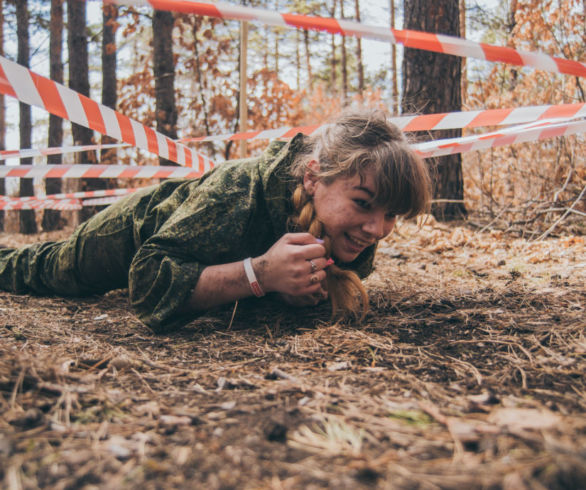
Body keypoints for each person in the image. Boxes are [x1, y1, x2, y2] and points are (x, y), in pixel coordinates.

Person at [0, 110, 431, 333]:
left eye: (390, 214)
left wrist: (289, 293)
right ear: (313, 177)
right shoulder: (237, 192)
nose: (376, 229)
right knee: (43, 270)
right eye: (362, 204)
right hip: (136, 229)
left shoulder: (354, 232)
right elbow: (147, 282)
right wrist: (259, 275)